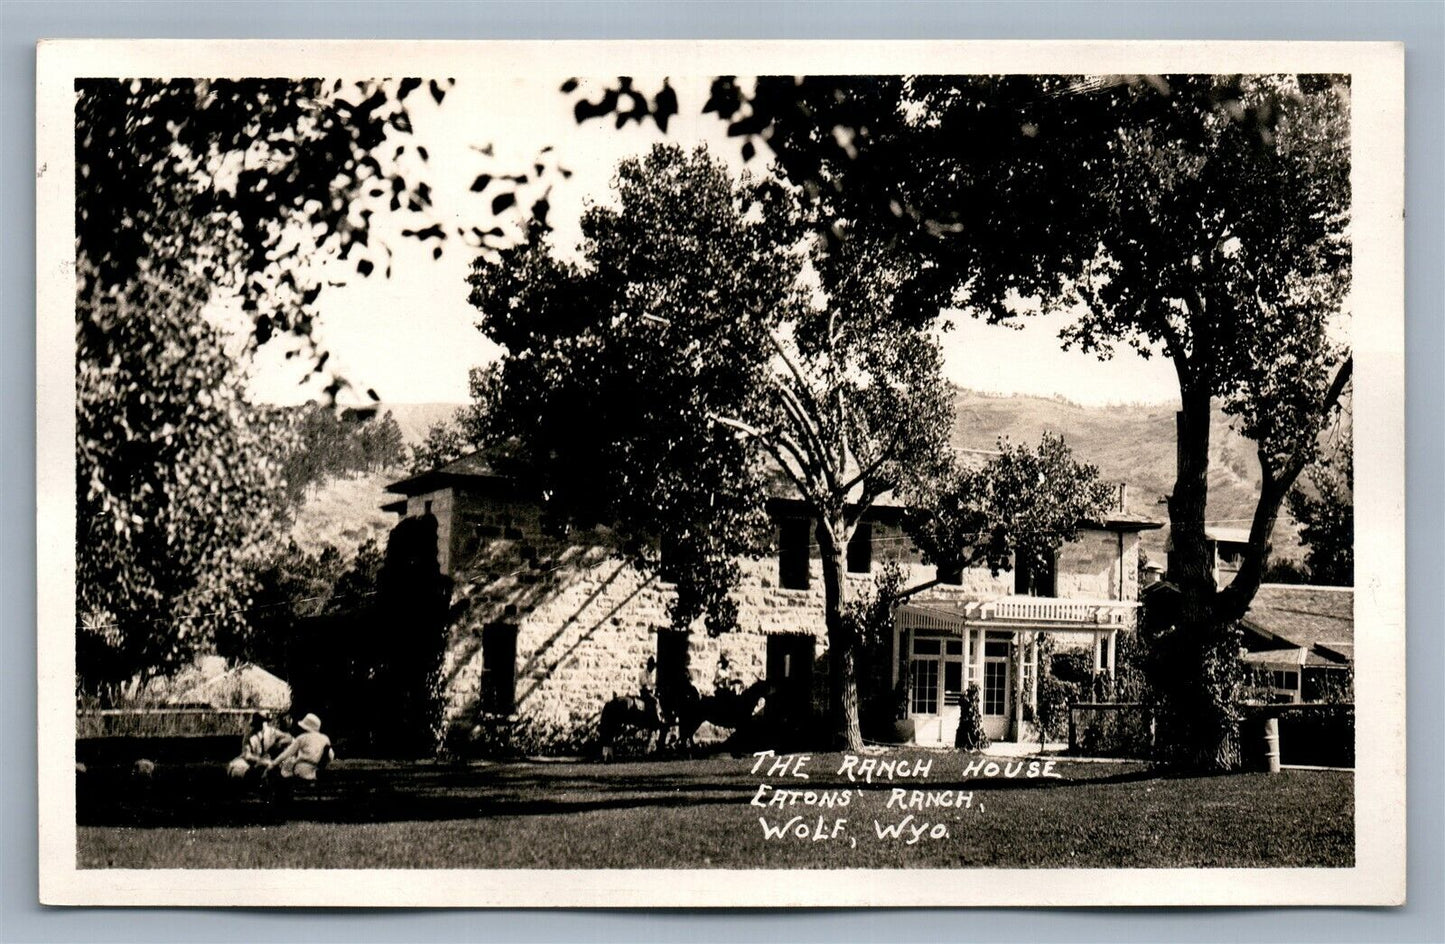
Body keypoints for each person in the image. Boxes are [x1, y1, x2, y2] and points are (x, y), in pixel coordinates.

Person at [272, 713, 334, 784]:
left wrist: (273, 764)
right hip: (316, 769)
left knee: (286, 769)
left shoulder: (302, 738)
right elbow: (331, 756)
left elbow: (287, 753)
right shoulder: (325, 738)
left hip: (301, 768)